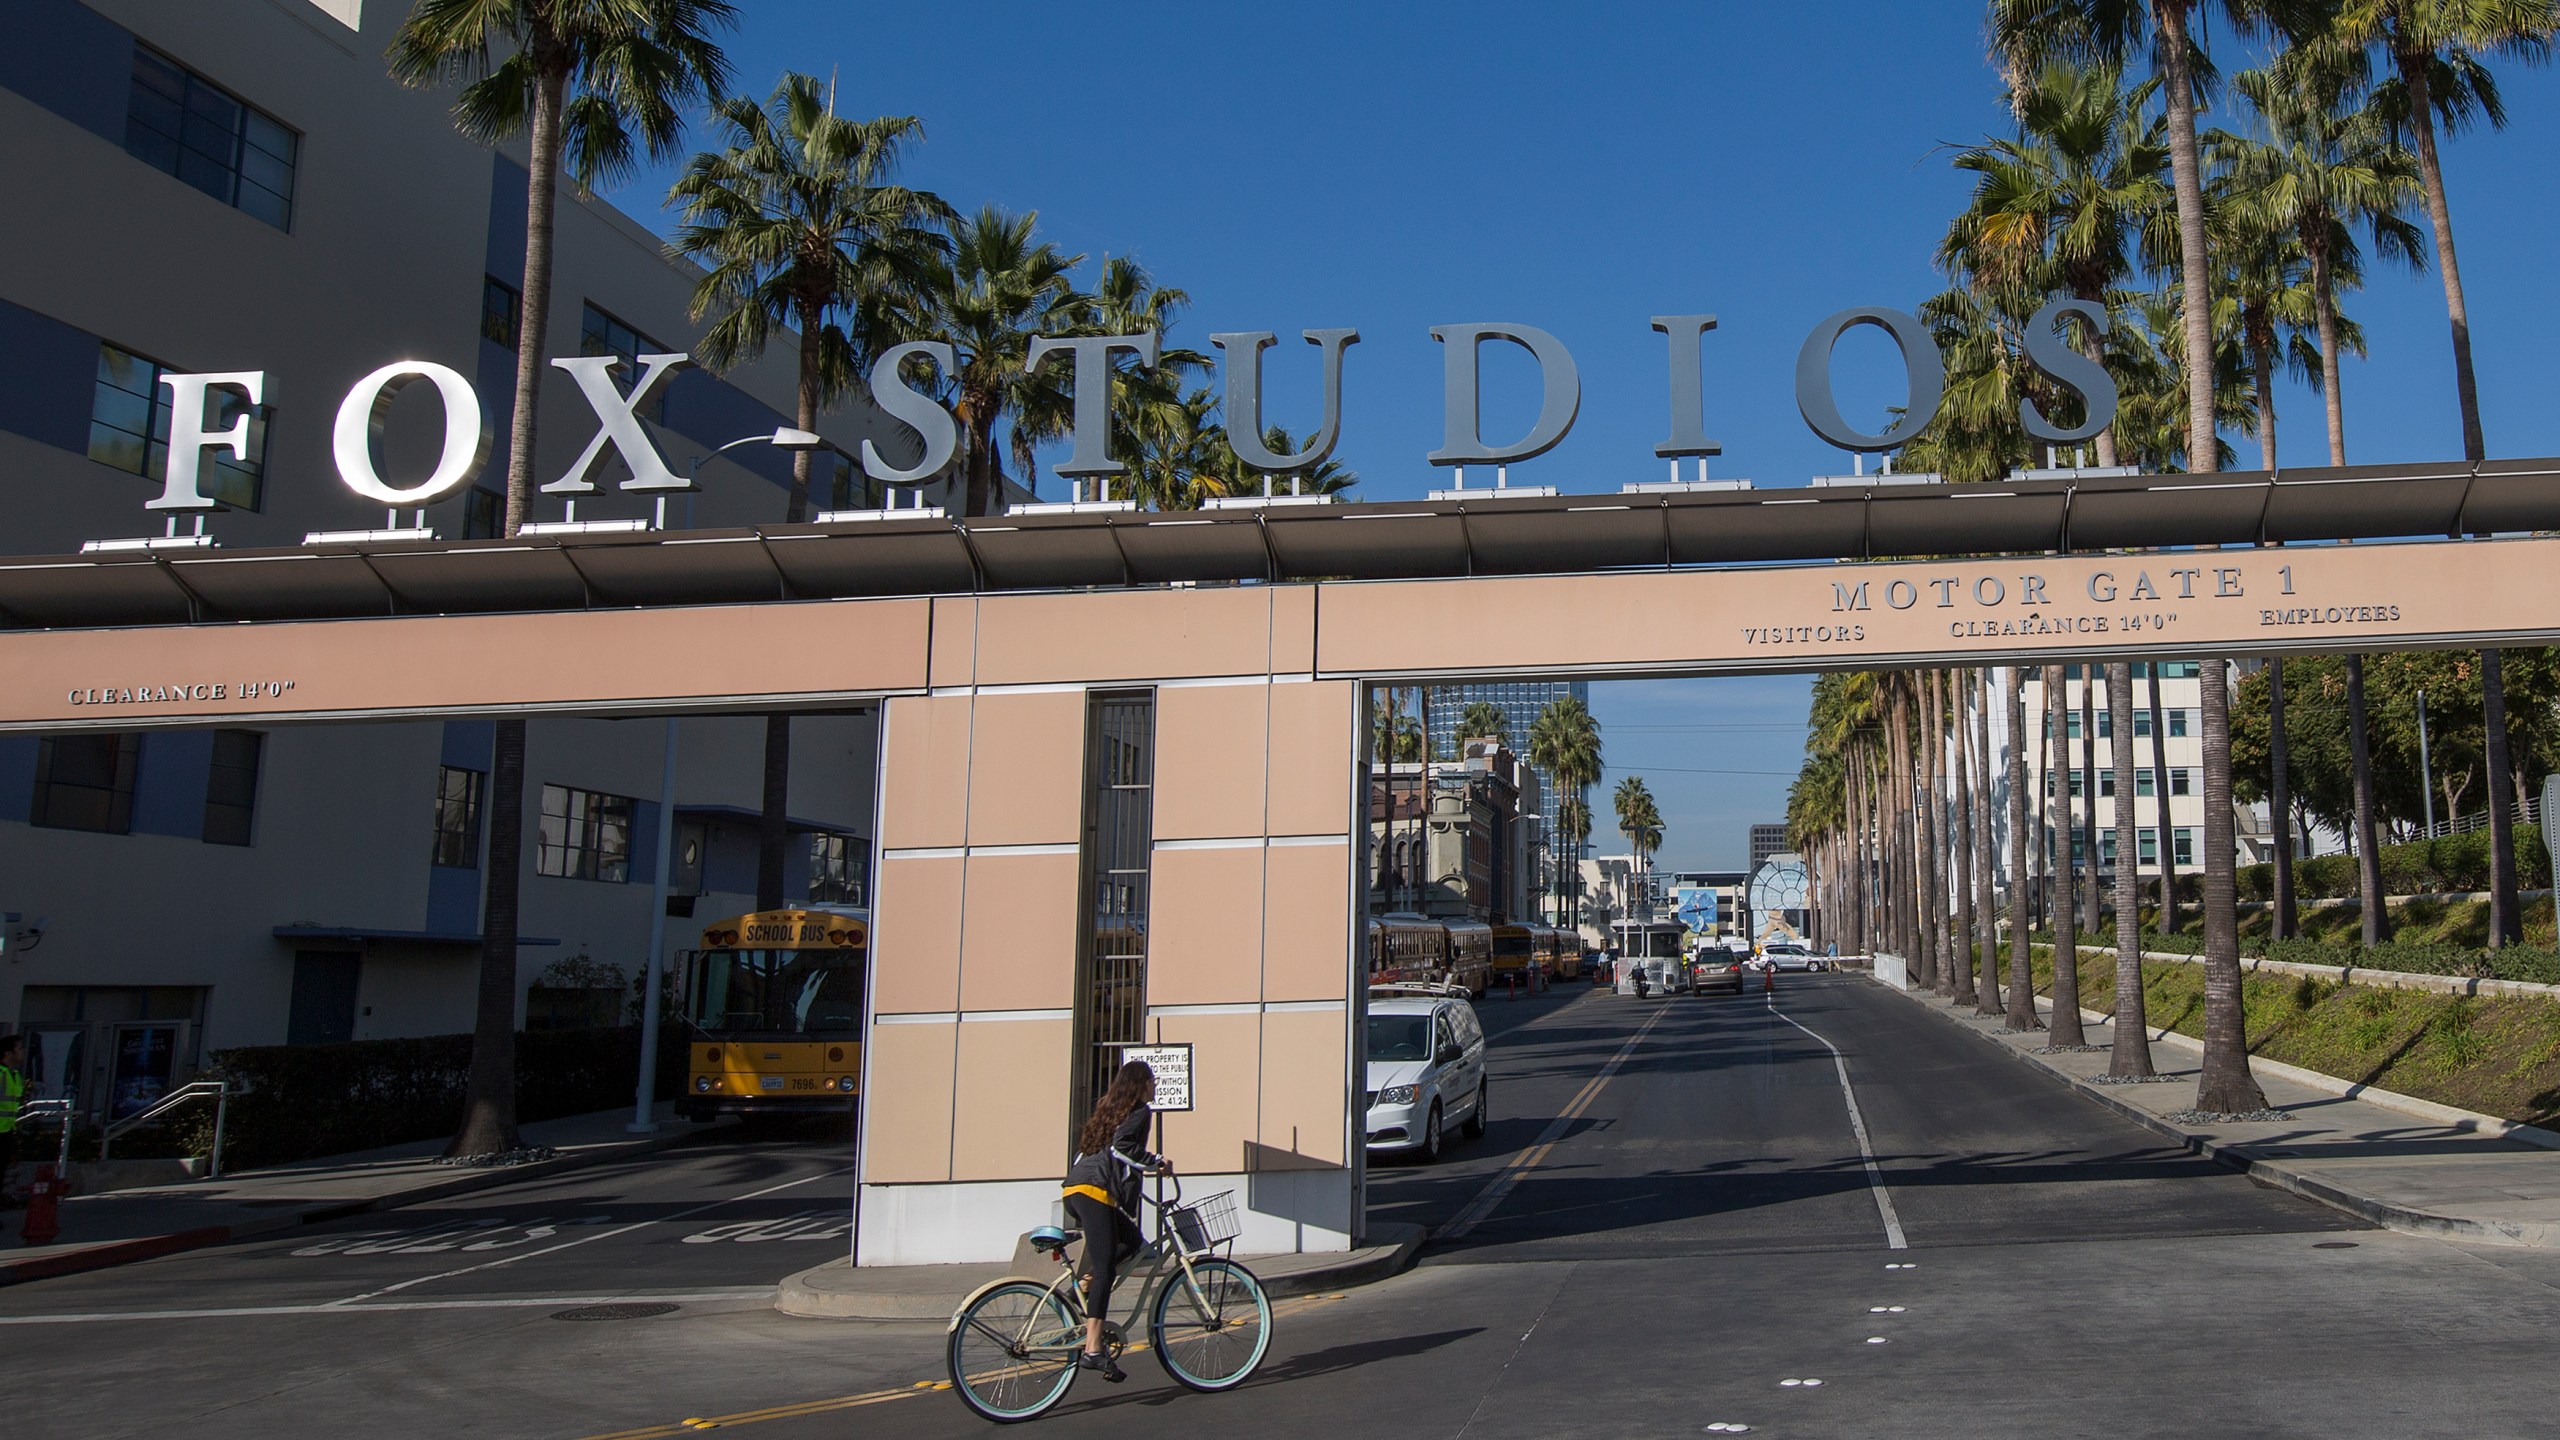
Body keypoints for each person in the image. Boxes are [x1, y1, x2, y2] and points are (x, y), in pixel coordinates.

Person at [1058, 1060, 1167, 1382]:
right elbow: (1123, 1149)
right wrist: (1156, 1162)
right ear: (1141, 1084)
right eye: (1152, 1081)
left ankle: (1084, 1287)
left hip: (1077, 1190)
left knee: (1133, 1242)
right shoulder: (1140, 1111)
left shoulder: (1109, 1110)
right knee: (1106, 1266)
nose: (1155, 1086)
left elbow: (1088, 1154)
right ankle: (1092, 1348)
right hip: (1094, 1192)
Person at [0, 1034, 23, 1206]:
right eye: (19, 1049)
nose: (23, 1052)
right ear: (8, 1054)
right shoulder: (1, 1074)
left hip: (6, 1131)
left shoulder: (13, 1075)